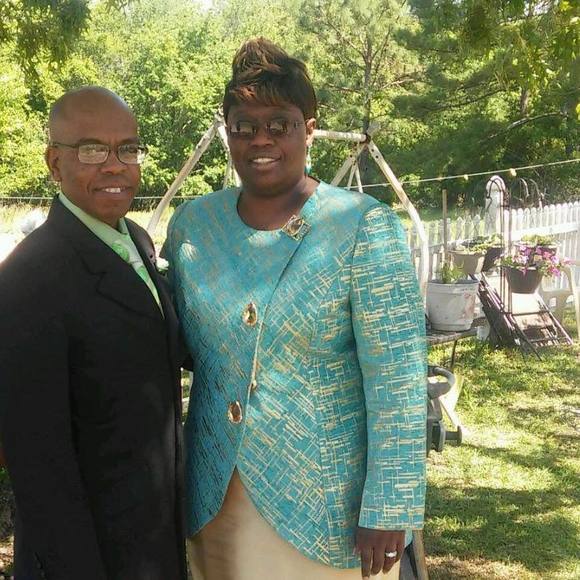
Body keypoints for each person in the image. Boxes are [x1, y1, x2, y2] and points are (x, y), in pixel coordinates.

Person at [164, 39, 427, 580]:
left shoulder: (362, 226)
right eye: (243, 126)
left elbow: (397, 380)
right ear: (227, 132)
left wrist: (390, 507)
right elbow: (176, 345)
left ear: (308, 129)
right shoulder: (193, 228)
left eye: (278, 124)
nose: (260, 139)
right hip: (215, 496)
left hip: (327, 507)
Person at [0, 87, 186, 580]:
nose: (114, 166)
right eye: (92, 150)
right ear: (54, 163)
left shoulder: (137, 241)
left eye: (128, 149)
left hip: (156, 536)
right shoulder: (29, 279)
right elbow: (39, 462)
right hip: (93, 554)